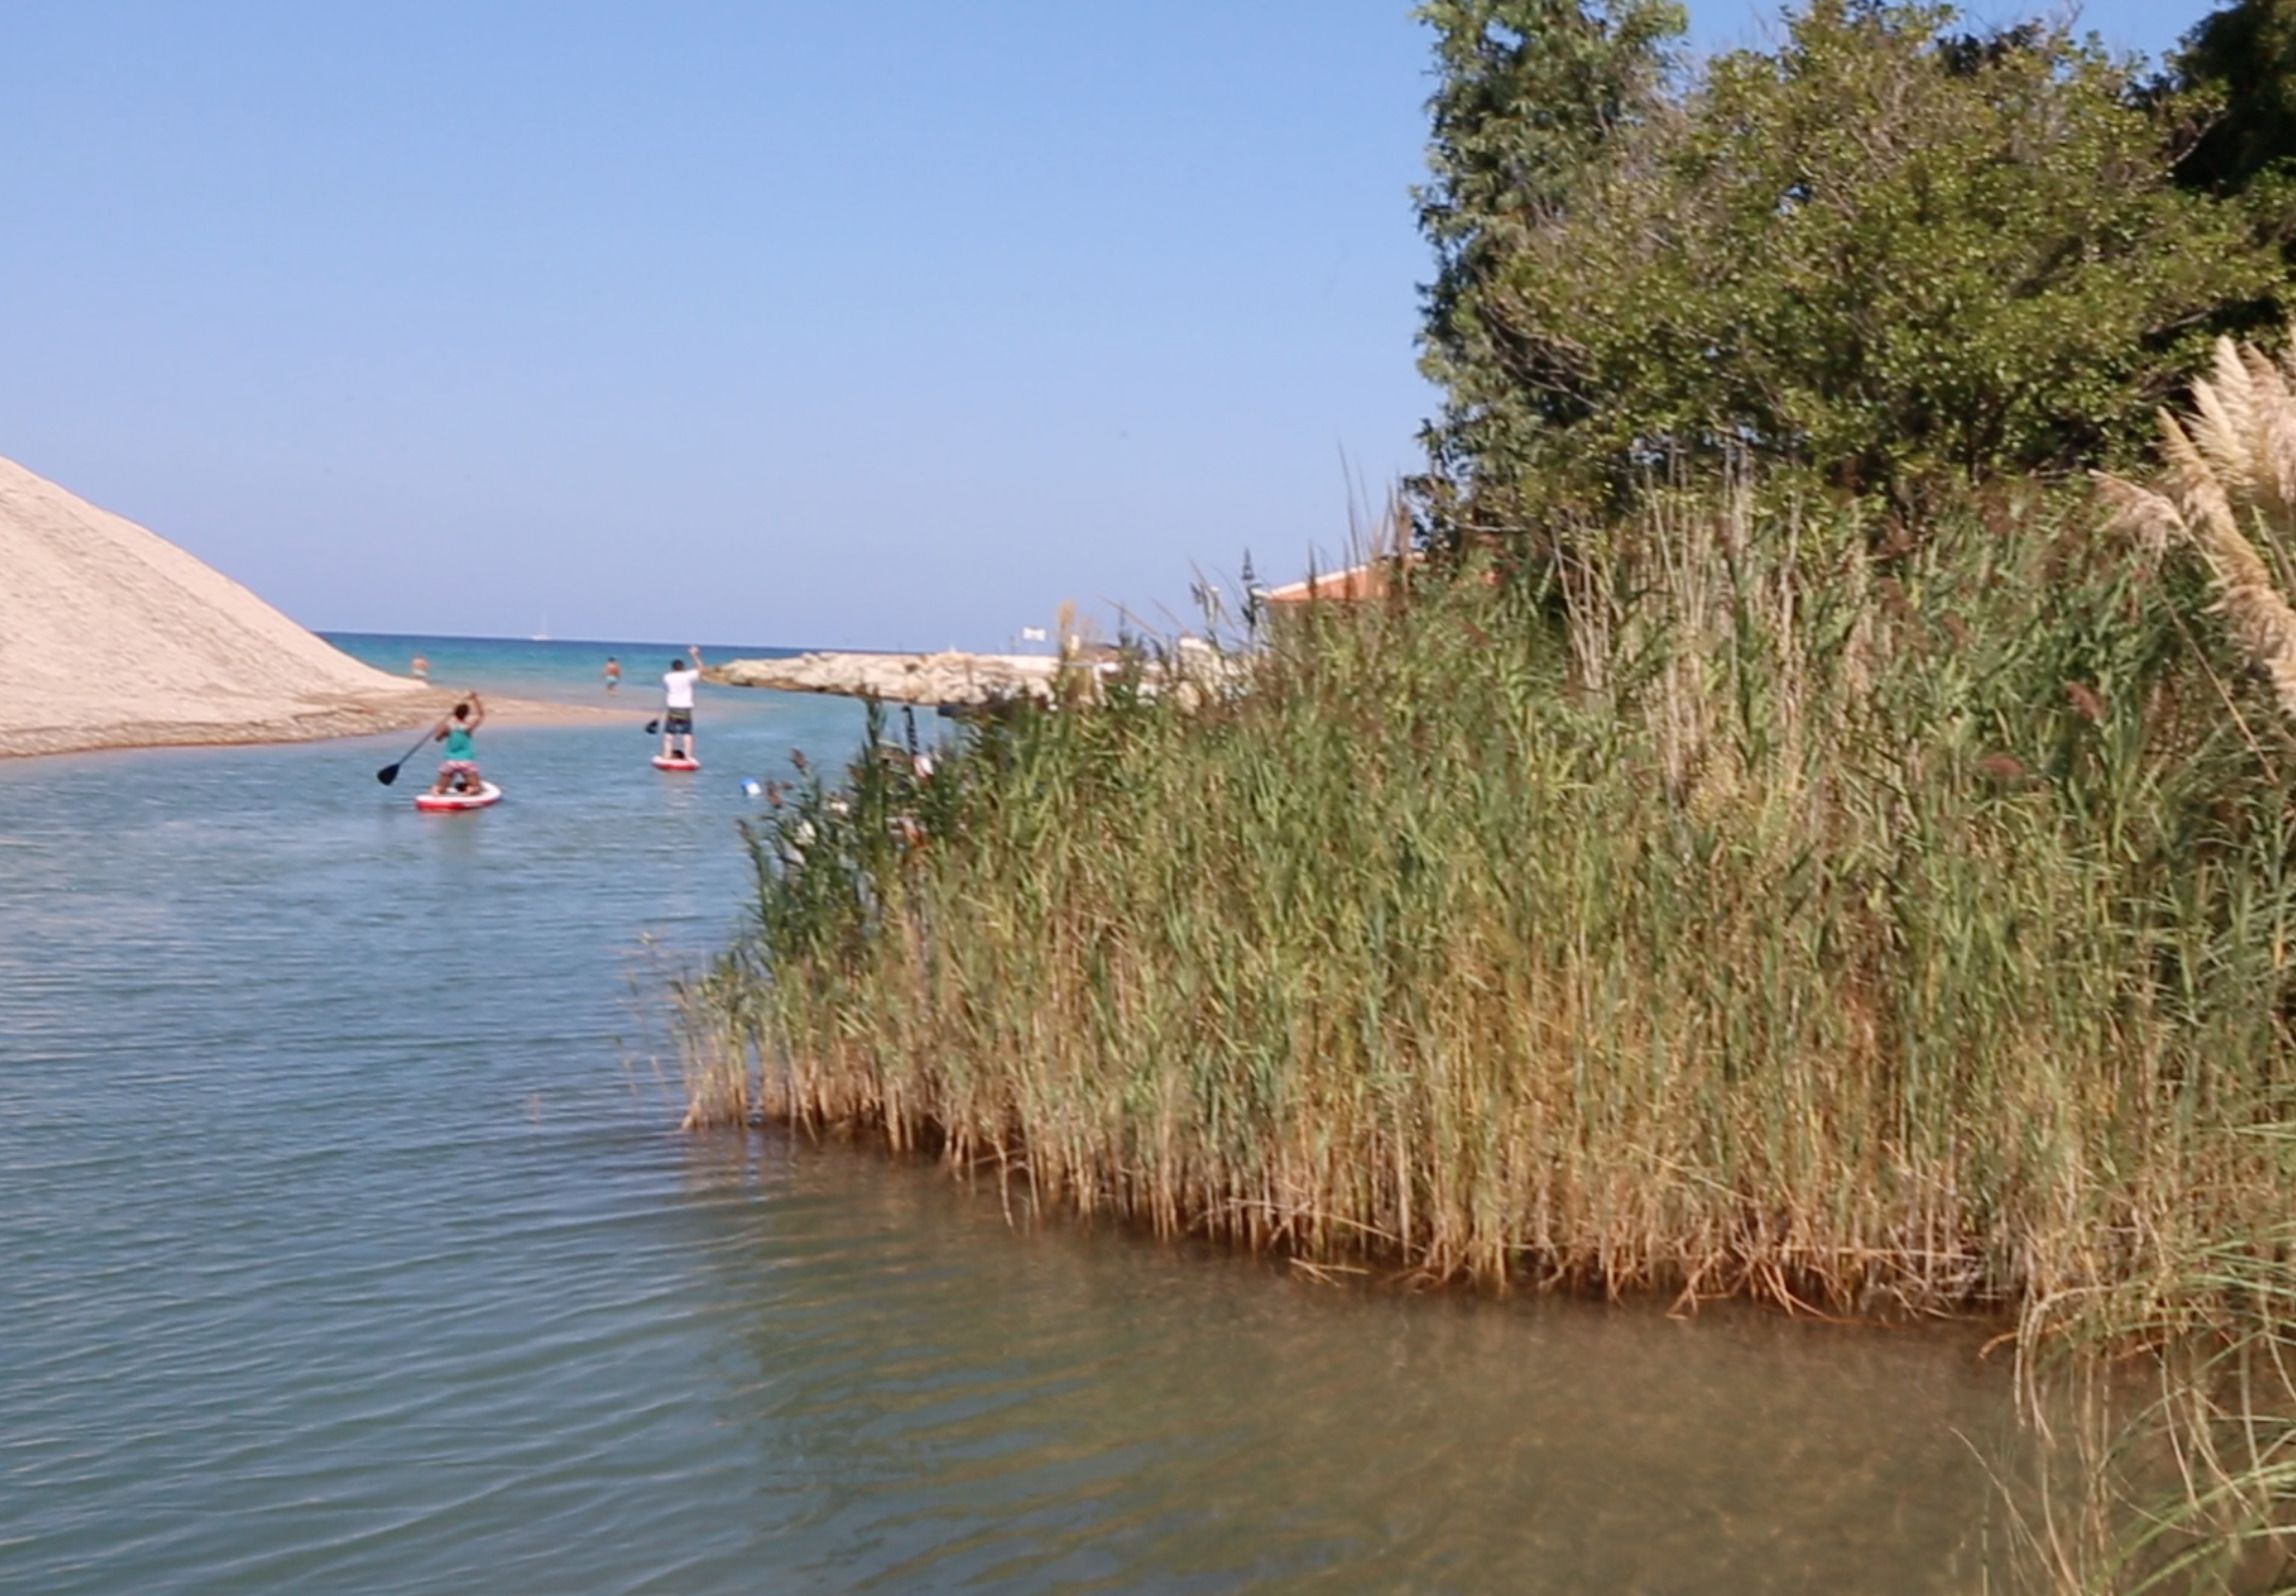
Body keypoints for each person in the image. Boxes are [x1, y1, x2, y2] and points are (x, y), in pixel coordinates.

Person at [428, 692, 487, 795]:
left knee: (438, 788)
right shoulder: (468, 727)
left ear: (454, 713)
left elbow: (437, 739)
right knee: (477, 788)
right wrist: (475, 699)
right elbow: (481, 715)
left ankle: (437, 791)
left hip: (450, 762)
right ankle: (471, 790)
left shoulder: (448, 727)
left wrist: (439, 729)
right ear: (466, 714)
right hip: (465, 761)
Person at [661, 647, 703, 761]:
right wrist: (694, 655)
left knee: (669, 733)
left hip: (673, 708)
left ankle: (666, 755)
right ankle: (688, 756)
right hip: (685, 708)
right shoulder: (688, 676)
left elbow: (666, 687)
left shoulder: (667, 677)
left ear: (672, 668)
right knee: (687, 733)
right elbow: (700, 668)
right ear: (683, 667)